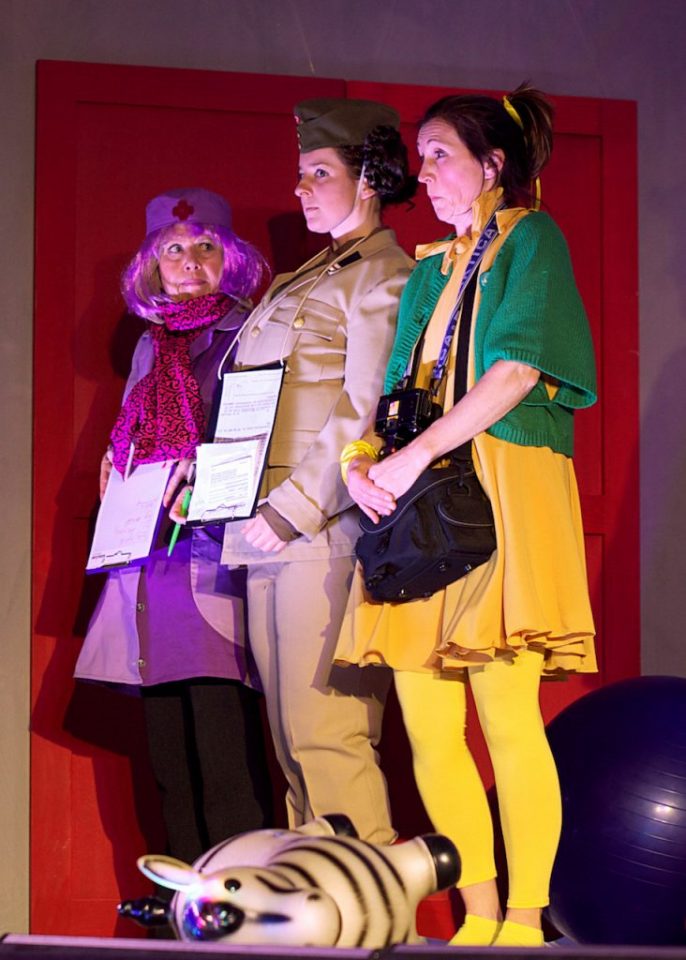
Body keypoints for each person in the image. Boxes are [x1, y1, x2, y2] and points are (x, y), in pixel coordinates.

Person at [336, 85, 597, 946]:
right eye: (421, 158)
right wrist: (363, 461)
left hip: (503, 485)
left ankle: (525, 917)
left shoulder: (532, 238)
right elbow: (398, 394)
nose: (424, 173)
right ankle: (479, 915)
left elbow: (516, 371)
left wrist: (413, 456)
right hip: (426, 501)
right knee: (428, 724)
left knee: (506, 716)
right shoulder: (430, 269)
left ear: (493, 164)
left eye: (440, 155)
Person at [202, 99, 416, 844]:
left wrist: (290, 508)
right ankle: (317, 898)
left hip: (325, 529)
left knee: (329, 735)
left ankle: (368, 903)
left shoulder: (385, 278)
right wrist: (216, 486)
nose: (300, 188)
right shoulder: (299, 278)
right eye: (300, 173)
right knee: (292, 742)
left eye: (319, 172)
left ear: (370, 178)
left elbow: (366, 411)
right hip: (262, 526)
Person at [75, 188, 273, 864]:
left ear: (230, 258)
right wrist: (117, 457)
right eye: (174, 250)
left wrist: (200, 463)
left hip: (213, 558)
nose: (190, 262)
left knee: (223, 751)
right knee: (169, 755)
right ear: (152, 265)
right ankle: (185, 906)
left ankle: (240, 900)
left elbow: (261, 436)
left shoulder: (252, 331)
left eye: (206, 246)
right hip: (148, 562)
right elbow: (134, 427)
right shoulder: (149, 345)